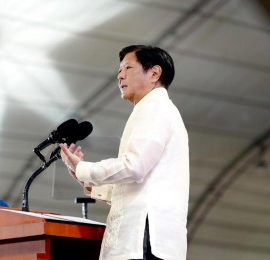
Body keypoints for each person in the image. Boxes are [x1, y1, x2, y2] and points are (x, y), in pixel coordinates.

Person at [59, 45, 189, 260]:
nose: (120, 75)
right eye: (119, 70)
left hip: (146, 237)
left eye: (128, 67)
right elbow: (140, 183)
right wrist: (90, 183)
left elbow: (134, 167)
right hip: (147, 236)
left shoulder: (155, 107)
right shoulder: (153, 108)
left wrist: (84, 168)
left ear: (154, 73)